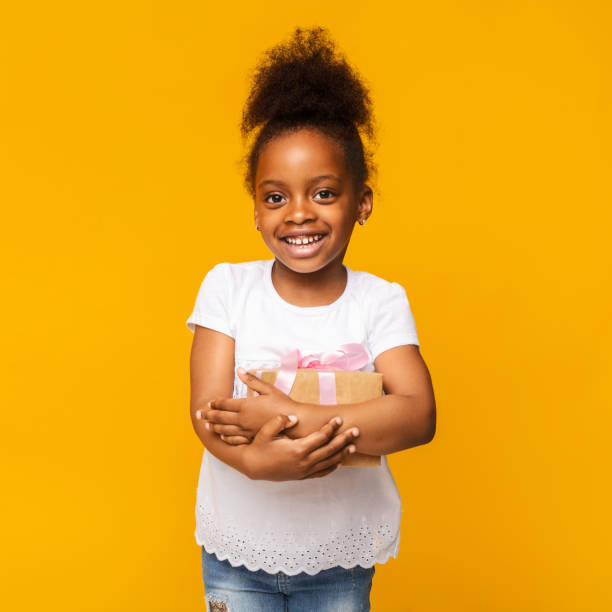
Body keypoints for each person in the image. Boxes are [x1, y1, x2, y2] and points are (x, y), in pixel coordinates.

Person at [186, 25, 436, 612]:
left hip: (337, 557)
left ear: (362, 202)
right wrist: (254, 461)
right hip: (236, 551)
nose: (298, 213)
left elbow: (417, 414)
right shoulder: (227, 288)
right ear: (255, 208)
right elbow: (205, 411)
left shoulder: (379, 302)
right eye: (276, 197)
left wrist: (291, 416)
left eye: (323, 193)